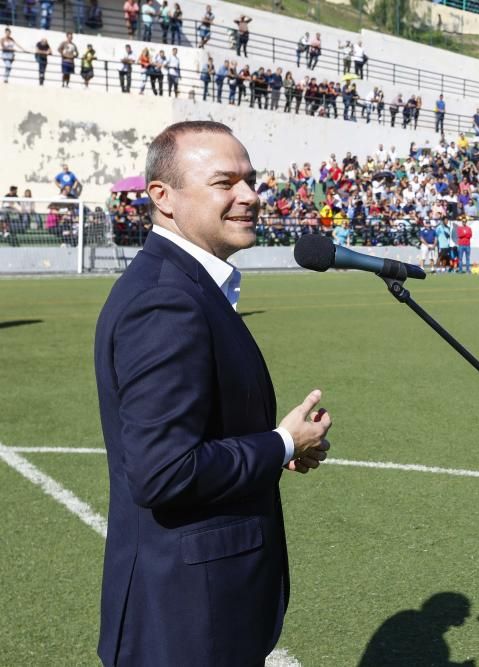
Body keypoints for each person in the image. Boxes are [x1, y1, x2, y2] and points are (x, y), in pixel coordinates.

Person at [94, 121, 333, 666]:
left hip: (199, 608)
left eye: (250, 180)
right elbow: (163, 471)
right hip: (186, 619)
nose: (249, 196)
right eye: (226, 182)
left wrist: (277, 445)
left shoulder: (188, 285)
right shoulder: (166, 301)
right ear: (164, 197)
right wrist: (279, 444)